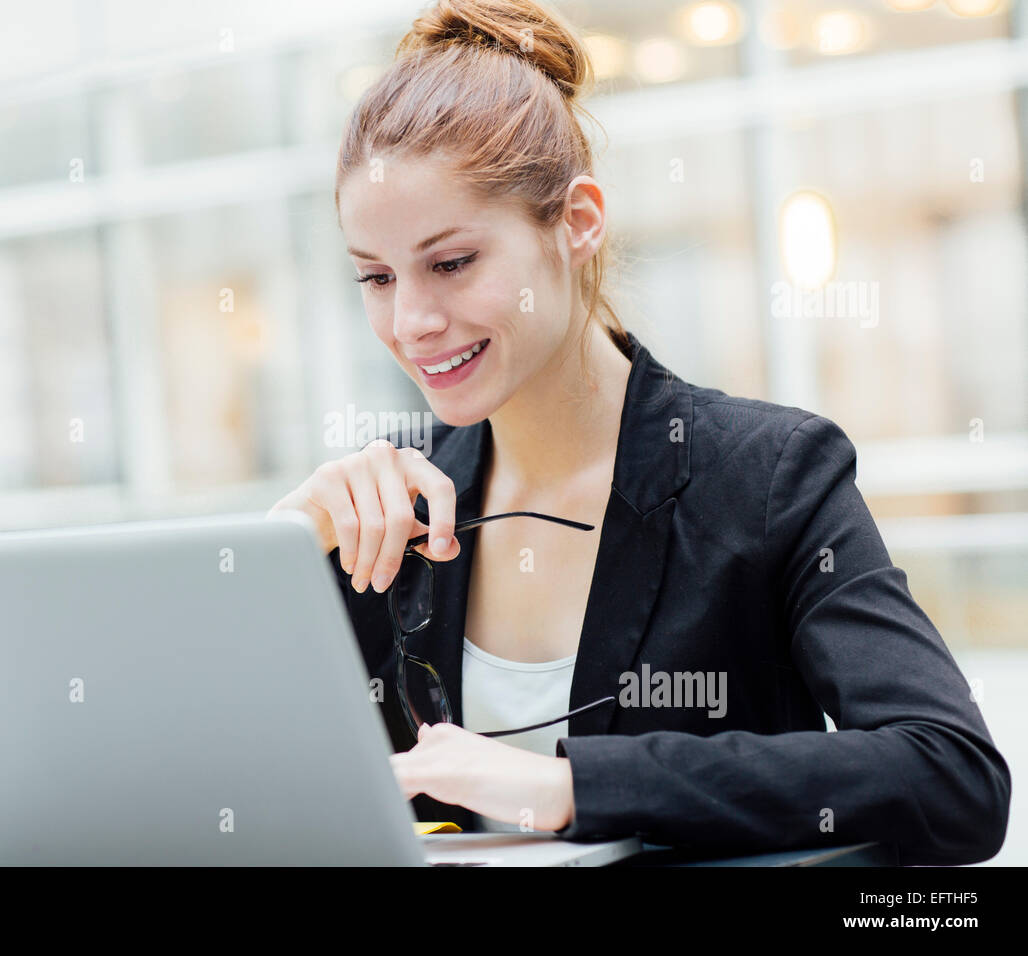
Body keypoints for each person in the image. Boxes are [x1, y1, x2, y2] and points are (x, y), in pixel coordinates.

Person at [268, 0, 1010, 865]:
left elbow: (953, 776)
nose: (411, 320)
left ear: (577, 222)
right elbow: (235, 794)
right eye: (375, 277)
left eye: (452, 263)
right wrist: (281, 553)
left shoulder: (766, 476)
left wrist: (573, 786)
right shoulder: (380, 512)